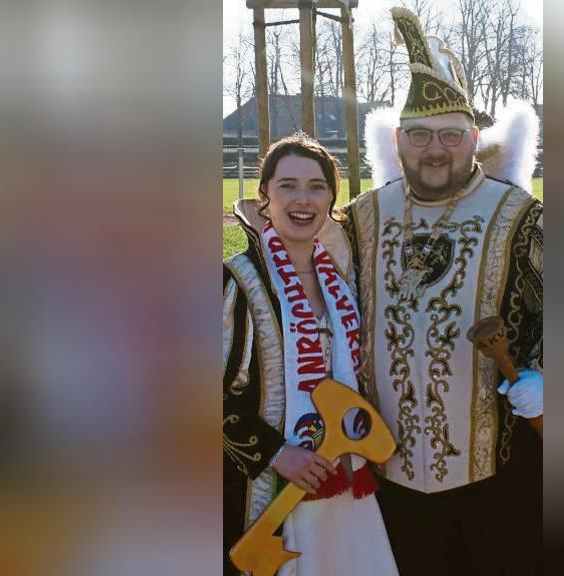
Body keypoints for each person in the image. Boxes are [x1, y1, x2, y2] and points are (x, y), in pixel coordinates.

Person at [340, 8, 544, 575]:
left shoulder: (522, 216)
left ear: (473, 140)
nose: (435, 149)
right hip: (388, 476)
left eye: (451, 136)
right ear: (399, 140)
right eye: (420, 136)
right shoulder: (361, 217)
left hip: (499, 472)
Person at [223, 134, 399, 576]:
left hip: (344, 482)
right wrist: (276, 453)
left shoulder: (343, 280)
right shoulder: (235, 281)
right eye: (288, 185)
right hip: (269, 486)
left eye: (317, 187)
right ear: (264, 196)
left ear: (330, 200)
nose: (303, 199)